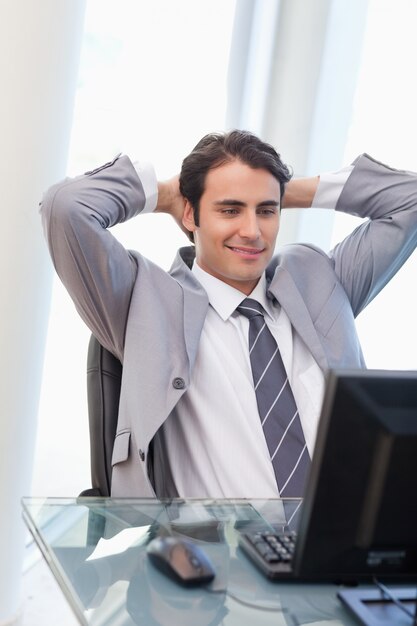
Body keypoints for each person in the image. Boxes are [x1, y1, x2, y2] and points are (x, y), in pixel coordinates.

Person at [40, 130, 417, 501]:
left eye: (266, 211)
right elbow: (66, 209)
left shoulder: (320, 282)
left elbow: (410, 200)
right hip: (225, 554)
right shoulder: (143, 302)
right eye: (230, 209)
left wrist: (285, 192)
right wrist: (169, 194)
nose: (252, 231)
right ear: (191, 212)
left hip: (346, 544)